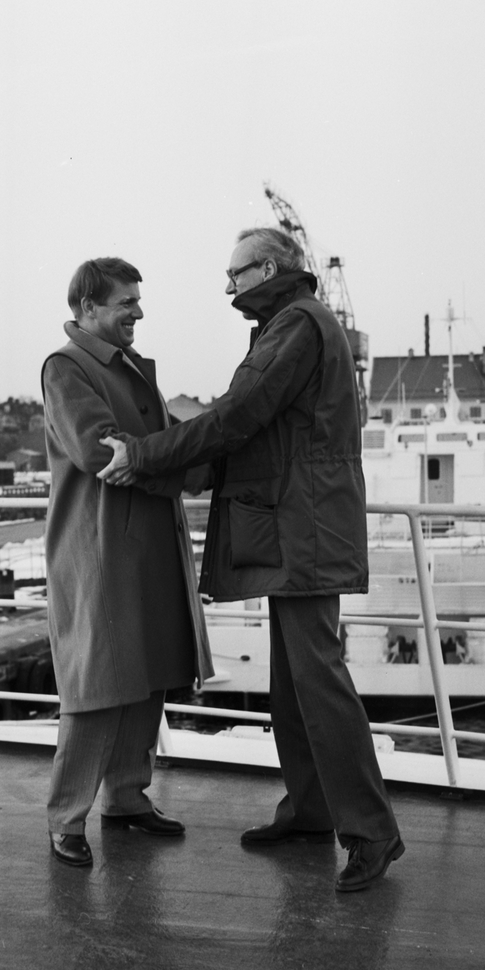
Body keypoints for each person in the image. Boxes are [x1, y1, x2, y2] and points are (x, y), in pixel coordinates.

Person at [98, 228, 403, 892]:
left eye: (235, 274)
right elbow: (254, 430)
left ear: (268, 268)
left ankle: (372, 831)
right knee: (294, 684)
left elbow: (238, 416)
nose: (228, 286)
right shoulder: (287, 324)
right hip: (298, 522)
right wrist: (171, 465)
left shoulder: (296, 325)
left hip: (304, 527)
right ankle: (311, 811)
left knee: (318, 680)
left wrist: (144, 456)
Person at [41, 257, 213, 868]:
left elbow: (146, 450)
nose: (138, 311)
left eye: (137, 300)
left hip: (145, 545)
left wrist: (194, 459)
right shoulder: (66, 367)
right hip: (100, 550)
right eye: (125, 302)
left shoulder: (129, 366)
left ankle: (126, 797)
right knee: (98, 685)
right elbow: (101, 452)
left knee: (148, 673)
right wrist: (176, 465)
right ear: (88, 308)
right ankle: (66, 818)